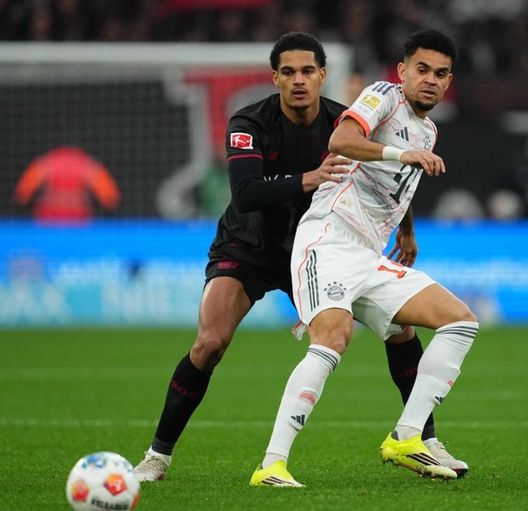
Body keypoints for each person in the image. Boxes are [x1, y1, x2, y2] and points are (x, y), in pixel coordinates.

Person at [133, 31, 451, 482]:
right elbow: (245, 194)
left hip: (317, 246)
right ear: (275, 78)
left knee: (401, 330)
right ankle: (157, 456)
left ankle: (425, 441)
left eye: (307, 71)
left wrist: (407, 228)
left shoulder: (345, 122)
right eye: (288, 72)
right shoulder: (249, 122)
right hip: (249, 245)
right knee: (210, 344)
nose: (299, 80)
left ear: (322, 75)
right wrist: (310, 177)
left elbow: (388, 172)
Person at [250, 29, 479, 488]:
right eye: (421, 70)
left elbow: (399, 182)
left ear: (449, 81)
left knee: (460, 321)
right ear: (402, 72)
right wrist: (401, 152)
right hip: (329, 238)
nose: (430, 80)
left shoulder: (428, 130)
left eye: (440, 74)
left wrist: (407, 230)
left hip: (369, 253)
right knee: (332, 338)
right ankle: (271, 466)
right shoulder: (383, 97)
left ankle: (408, 436)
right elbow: (342, 139)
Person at [14, 145, 120, 223]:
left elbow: (22, 193)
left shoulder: (46, 163)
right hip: (74, 220)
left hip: (52, 220)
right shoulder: (87, 165)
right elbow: (110, 197)